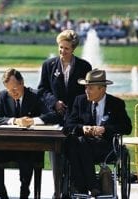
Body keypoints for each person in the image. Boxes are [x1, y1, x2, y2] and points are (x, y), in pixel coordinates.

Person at [0, 68, 60, 199]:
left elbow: (53, 115)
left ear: (22, 83)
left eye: (15, 89)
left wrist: (32, 121)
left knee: (26, 159)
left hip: (30, 148)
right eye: (9, 90)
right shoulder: (3, 95)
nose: (13, 93)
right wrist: (14, 121)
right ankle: (0, 193)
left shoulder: (35, 96)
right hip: (7, 146)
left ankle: (24, 191)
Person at [37, 29, 92, 196]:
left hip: (76, 118)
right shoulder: (48, 65)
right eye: (60, 47)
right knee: (56, 153)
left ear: (73, 49)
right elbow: (42, 89)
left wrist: (75, 108)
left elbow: (87, 93)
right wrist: (54, 102)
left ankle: (77, 188)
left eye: (66, 48)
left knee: (74, 150)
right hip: (55, 117)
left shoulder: (84, 66)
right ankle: (58, 190)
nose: (62, 51)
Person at [64, 68, 132, 196]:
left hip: (106, 147)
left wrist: (105, 129)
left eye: (90, 88)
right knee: (73, 141)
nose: (86, 91)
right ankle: (92, 186)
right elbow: (68, 125)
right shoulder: (80, 101)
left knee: (77, 144)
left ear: (102, 89)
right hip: (82, 144)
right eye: (86, 88)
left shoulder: (116, 104)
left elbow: (127, 127)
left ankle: (82, 188)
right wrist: (83, 128)